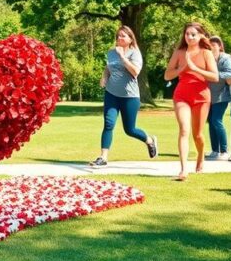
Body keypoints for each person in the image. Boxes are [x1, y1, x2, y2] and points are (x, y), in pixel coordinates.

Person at [90, 25, 157, 167]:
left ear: (130, 39)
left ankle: (149, 141)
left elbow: (135, 72)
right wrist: (104, 77)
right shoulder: (111, 52)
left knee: (130, 130)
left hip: (129, 97)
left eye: (123, 36)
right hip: (111, 94)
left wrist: (122, 56)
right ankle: (103, 157)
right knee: (108, 124)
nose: (119, 38)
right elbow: (108, 67)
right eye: (118, 36)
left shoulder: (135, 53)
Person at [164, 22, 219, 181]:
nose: (189, 37)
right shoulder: (179, 52)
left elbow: (215, 77)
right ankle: (183, 170)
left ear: (201, 36)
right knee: (184, 130)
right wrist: (182, 68)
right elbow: (167, 75)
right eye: (187, 34)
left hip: (201, 96)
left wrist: (195, 68)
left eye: (193, 34)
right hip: (182, 95)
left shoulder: (206, 53)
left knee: (198, 135)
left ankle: (201, 154)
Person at [205, 36, 231, 160]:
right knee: (211, 122)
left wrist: (214, 75)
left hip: (222, 96)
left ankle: (224, 150)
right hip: (208, 96)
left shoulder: (225, 59)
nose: (212, 47)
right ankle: (215, 151)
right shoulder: (207, 58)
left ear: (219, 46)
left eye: (214, 45)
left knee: (216, 121)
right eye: (209, 45)